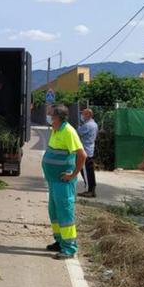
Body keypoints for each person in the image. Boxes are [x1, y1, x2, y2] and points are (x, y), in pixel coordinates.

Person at [42, 105, 87, 260]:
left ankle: (69, 248)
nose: (48, 115)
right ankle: (59, 241)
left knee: (65, 213)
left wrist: (73, 174)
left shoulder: (68, 131)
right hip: (54, 181)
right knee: (54, 212)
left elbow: (82, 155)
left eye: (50, 114)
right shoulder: (56, 130)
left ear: (57, 117)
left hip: (63, 182)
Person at [77, 108, 99, 198]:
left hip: (85, 151)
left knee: (86, 171)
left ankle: (89, 190)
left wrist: (78, 127)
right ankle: (91, 189)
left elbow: (79, 132)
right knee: (90, 171)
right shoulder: (94, 124)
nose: (82, 116)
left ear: (88, 115)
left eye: (84, 114)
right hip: (90, 150)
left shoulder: (88, 125)